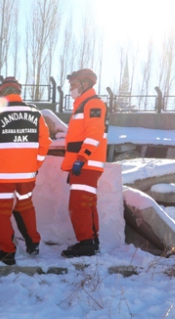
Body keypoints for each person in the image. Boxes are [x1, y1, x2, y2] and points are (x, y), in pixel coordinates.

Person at [0, 77, 51, 266]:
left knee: (2, 211)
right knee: (26, 205)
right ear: (18, 91)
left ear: (1, 93)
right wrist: (36, 164)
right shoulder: (35, 113)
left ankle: (7, 252)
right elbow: (45, 141)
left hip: (3, 174)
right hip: (27, 173)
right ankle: (33, 243)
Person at [61, 68, 107, 258]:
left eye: (73, 84)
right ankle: (91, 242)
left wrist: (81, 159)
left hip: (86, 163)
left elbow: (94, 134)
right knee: (87, 204)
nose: (71, 88)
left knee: (79, 204)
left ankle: (86, 244)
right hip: (85, 163)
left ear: (84, 84)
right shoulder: (83, 104)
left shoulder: (93, 104)